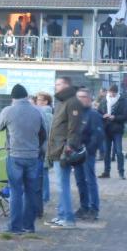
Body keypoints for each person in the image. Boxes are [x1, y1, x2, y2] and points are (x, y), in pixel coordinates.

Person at [0, 84, 46, 234]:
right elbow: (43, 133)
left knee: (16, 191)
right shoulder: (37, 112)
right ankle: (29, 225)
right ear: (26, 96)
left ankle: (15, 226)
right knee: (31, 191)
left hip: (15, 155)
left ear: (13, 98)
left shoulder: (8, 111)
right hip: (32, 155)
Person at [46, 77, 84, 228]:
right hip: (56, 149)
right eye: (55, 84)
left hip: (63, 150)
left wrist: (68, 149)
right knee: (60, 185)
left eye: (59, 84)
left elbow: (73, 129)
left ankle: (68, 219)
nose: (56, 87)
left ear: (66, 85)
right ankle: (62, 214)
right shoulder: (62, 102)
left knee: (63, 185)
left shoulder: (72, 102)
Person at [74, 88, 104, 221]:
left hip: (87, 154)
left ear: (89, 98)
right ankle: (83, 206)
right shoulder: (75, 114)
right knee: (80, 181)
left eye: (83, 97)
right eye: (78, 97)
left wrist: (89, 150)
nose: (80, 99)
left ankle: (94, 208)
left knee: (90, 180)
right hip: (76, 153)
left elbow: (98, 135)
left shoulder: (93, 115)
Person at [98, 84, 127, 179]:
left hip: (117, 130)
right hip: (106, 129)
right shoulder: (103, 101)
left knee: (119, 151)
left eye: (113, 93)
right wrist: (103, 116)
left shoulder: (122, 101)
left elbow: (126, 115)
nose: (112, 95)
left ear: (116, 93)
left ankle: (121, 172)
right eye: (110, 93)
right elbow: (98, 113)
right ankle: (106, 172)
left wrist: (114, 117)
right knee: (106, 152)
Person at [35, 92, 54, 210]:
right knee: (44, 171)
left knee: (43, 172)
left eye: (39, 99)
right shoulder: (49, 113)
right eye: (37, 99)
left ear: (45, 102)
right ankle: (45, 196)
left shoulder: (44, 114)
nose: (37, 101)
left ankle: (44, 196)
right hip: (48, 146)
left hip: (44, 147)